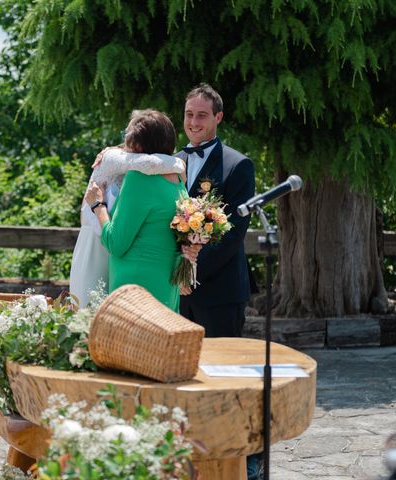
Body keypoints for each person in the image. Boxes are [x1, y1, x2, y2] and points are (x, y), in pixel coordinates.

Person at [176, 83, 259, 479]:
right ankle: (189, 457)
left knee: (224, 378)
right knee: (182, 375)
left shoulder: (237, 166)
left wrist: (193, 273)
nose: (194, 122)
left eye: (202, 115)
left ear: (218, 118)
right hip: (176, 291)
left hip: (220, 290)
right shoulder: (170, 162)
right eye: (190, 114)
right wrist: (177, 275)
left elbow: (233, 236)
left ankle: (239, 461)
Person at [84, 109, 187, 311]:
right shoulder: (178, 179)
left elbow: (117, 242)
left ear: (138, 145)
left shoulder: (139, 179)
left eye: (126, 137)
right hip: (165, 284)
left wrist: (98, 205)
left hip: (136, 289)